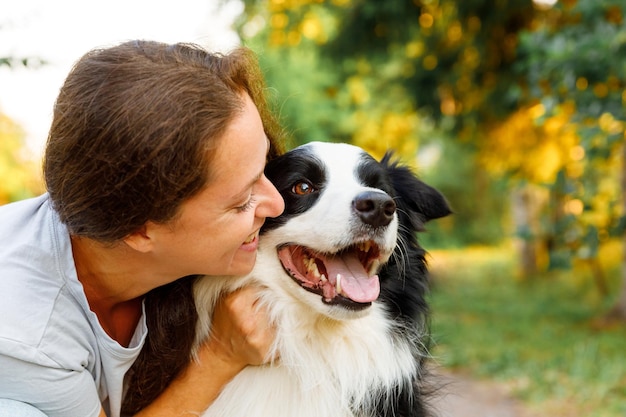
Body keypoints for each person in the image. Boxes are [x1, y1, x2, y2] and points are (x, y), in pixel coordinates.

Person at [0, 40, 286, 417]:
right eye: (241, 202)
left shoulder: (149, 248)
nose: (277, 204)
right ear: (138, 231)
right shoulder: (29, 337)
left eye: (264, 167)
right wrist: (219, 357)